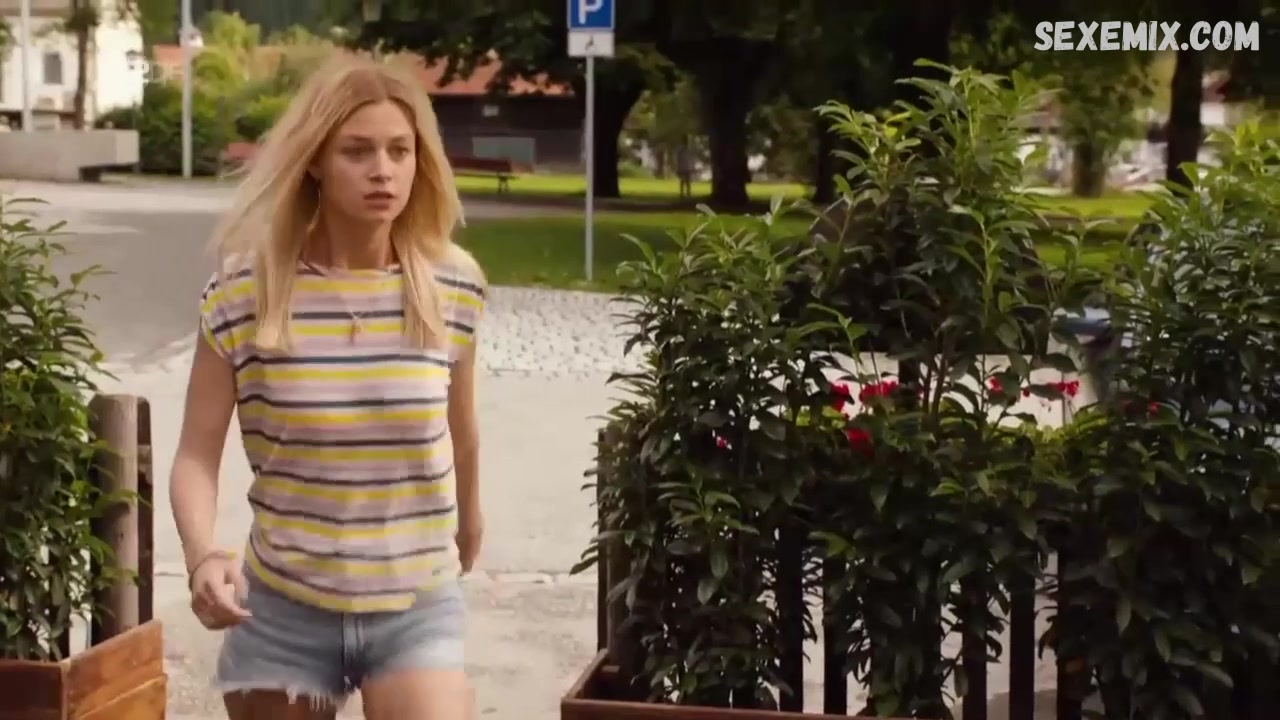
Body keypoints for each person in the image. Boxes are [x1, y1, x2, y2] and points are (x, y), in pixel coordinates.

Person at [168, 52, 486, 720]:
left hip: (414, 603)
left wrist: (471, 517)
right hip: (282, 606)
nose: (383, 170)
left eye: (400, 150)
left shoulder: (452, 284)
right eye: (357, 151)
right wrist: (201, 557)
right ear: (314, 160)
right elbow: (196, 453)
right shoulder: (243, 291)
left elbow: (463, 430)